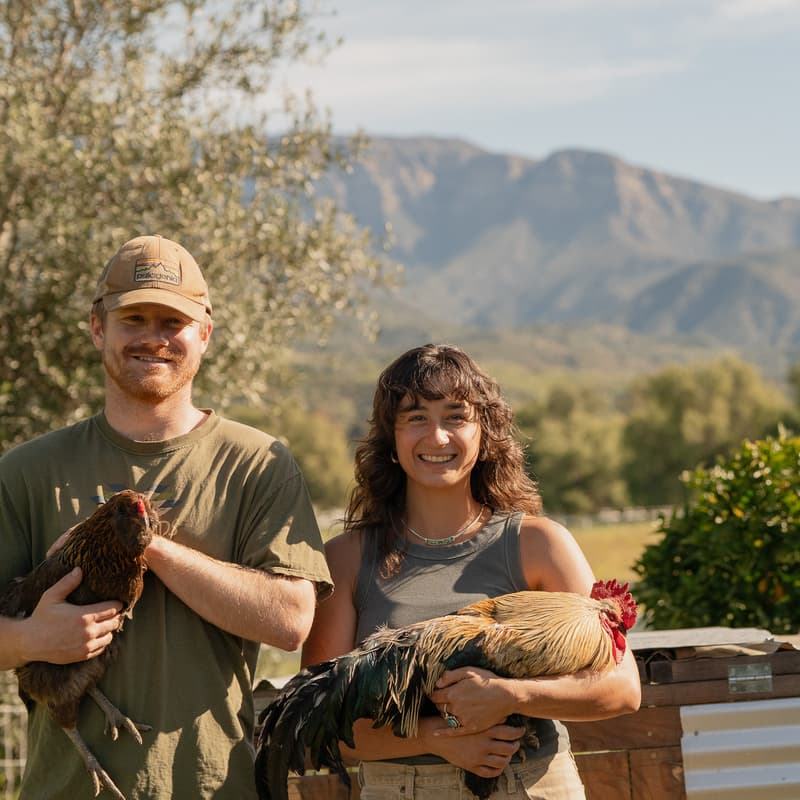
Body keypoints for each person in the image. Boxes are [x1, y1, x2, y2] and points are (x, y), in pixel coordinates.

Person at [0, 234, 332, 799]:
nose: (152, 338)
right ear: (98, 326)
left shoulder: (257, 464)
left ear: (204, 334)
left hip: (211, 787)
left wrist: (145, 545)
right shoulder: (28, 470)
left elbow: (291, 620)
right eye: (134, 318)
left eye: (172, 322)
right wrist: (30, 639)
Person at [301, 343, 641, 800]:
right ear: (392, 438)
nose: (437, 437)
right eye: (416, 417)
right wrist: (436, 738)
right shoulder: (345, 557)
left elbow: (622, 688)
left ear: (485, 433)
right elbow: (316, 720)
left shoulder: (538, 544)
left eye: (455, 416)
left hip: (531, 785)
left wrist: (511, 696)